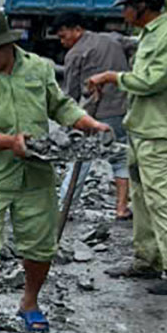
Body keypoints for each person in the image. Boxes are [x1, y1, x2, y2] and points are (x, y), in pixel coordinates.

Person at [0, 10, 112, 333]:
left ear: (8, 46)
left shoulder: (38, 68)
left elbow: (60, 106)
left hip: (36, 172)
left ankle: (30, 303)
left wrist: (88, 123)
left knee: (40, 242)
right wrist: (11, 142)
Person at [87, 0, 167, 295]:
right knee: (141, 199)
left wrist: (111, 76)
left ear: (143, 5)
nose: (123, 14)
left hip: (159, 132)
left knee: (161, 201)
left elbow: (152, 81)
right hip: (140, 129)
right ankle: (147, 260)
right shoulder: (147, 35)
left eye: (127, 8)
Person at [56, 12, 134, 220]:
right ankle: (121, 208)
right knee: (120, 158)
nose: (63, 42)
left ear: (77, 29)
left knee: (81, 158)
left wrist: (67, 123)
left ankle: (65, 206)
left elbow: (70, 95)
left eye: (64, 36)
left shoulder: (75, 54)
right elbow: (136, 46)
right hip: (121, 109)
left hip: (94, 114)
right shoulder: (113, 38)